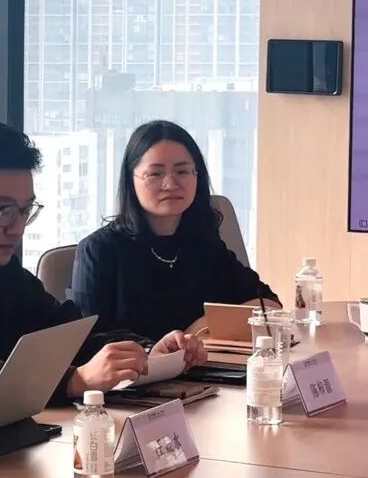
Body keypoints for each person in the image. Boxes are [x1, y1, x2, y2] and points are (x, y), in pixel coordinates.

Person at [0, 121, 206, 404]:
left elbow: (66, 329)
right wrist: (74, 381)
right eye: (3, 209)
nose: (17, 226)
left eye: (26, 209)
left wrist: (146, 352)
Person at [72, 119, 279, 341]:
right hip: (139, 365)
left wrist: (200, 327)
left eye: (182, 171)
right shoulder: (98, 250)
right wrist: (167, 349)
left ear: (197, 176)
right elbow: (90, 340)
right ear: (131, 180)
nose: (170, 184)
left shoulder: (203, 242)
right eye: (155, 174)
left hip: (204, 363)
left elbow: (268, 305)